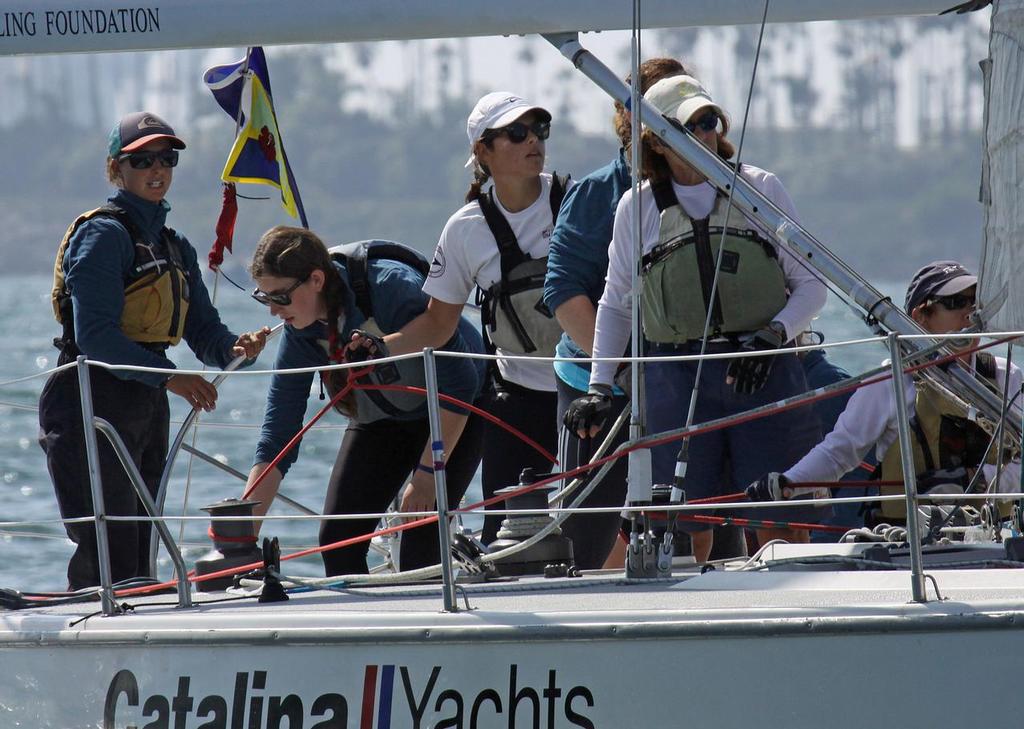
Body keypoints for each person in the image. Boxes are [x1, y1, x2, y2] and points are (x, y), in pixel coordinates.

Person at [565, 75, 827, 562]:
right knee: (683, 519)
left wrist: (772, 336)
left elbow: (812, 284)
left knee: (777, 514)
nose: (704, 136)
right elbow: (617, 302)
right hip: (675, 375)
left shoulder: (760, 189)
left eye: (710, 122)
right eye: (690, 127)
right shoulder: (635, 207)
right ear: (658, 143)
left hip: (762, 368)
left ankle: (784, 605)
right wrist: (599, 387)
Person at [40, 111, 270, 590]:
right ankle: (97, 636)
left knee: (143, 537)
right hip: (90, 394)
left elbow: (203, 329)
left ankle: (136, 630)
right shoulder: (102, 235)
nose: (156, 169)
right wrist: (172, 378)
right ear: (116, 170)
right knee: (107, 539)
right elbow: (96, 336)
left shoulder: (175, 246)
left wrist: (234, 346)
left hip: (143, 400)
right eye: (141, 160)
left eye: (166, 158)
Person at [355, 92, 571, 546]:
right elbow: (438, 325)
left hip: (593, 391)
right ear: (482, 151)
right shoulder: (465, 229)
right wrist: (378, 350)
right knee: (505, 539)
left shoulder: (577, 202)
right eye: (517, 133)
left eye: (539, 130)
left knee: (602, 523)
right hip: (518, 398)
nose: (533, 140)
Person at [244, 226, 486, 576]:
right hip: (382, 423)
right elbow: (278, 436)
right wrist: (241, 534)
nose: (272, 312)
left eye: (279, 297)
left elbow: (461, 381)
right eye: (264, 298)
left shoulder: (389, 287)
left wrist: (426, 474)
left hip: (454, 411)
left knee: (420, 539)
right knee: (337, 540)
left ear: (315, 280)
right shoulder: (301, 333)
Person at [544, 57, 689, 569]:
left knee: (691, 516)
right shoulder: (596, 193)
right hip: (596, 378)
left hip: (680, 378)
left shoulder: (713, 191)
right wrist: (622, 372)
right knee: (588, 523)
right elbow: (563, 293)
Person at [748, 261, 1022, 524]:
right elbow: (839, 451)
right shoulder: (889, 382)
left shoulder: (1005, 375)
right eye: (955, 303)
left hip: (998, 537)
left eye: (974, 302)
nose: (969, 313)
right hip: (911, 540)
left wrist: (978, 480)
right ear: (920, 317)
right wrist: (789, 483)